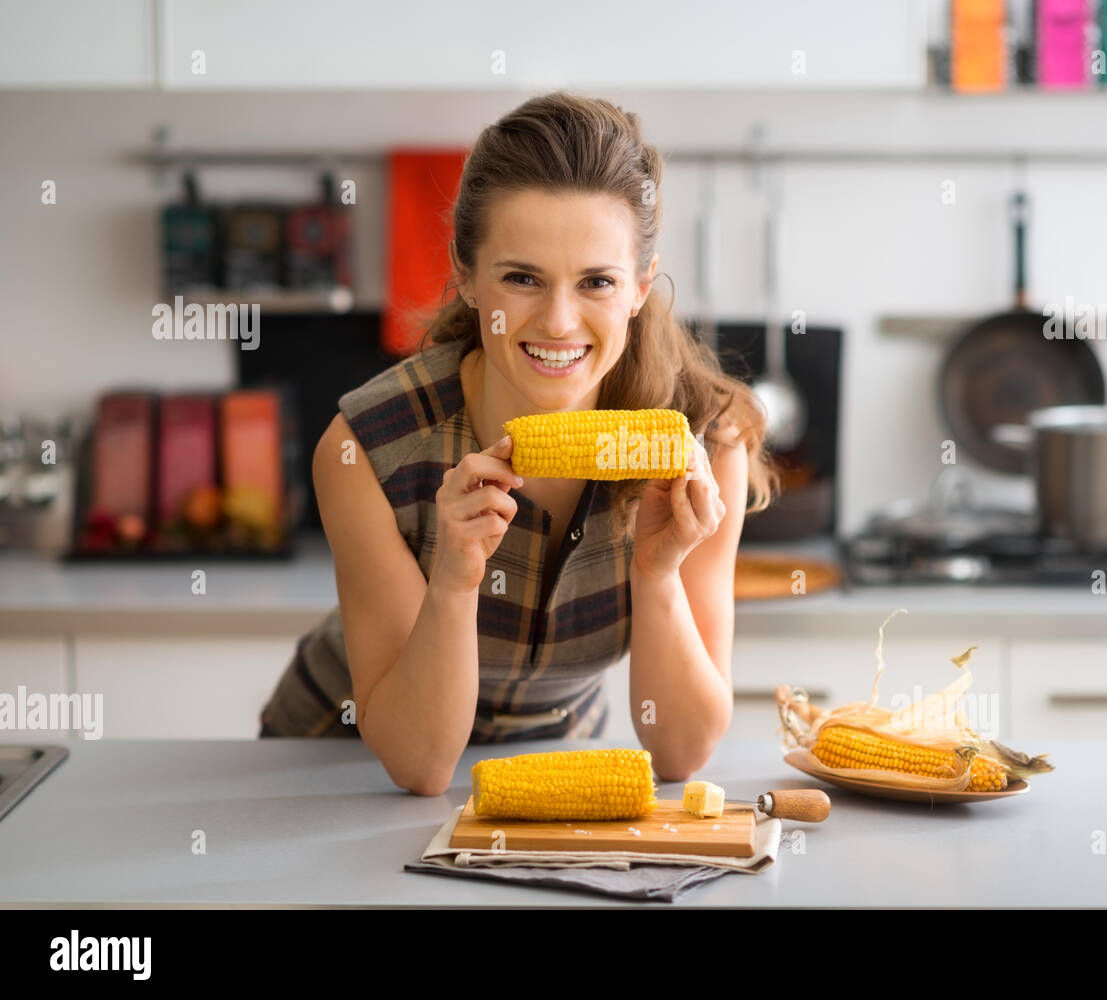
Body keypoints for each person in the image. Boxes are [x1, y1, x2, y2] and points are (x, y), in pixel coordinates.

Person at [259, 91, 778, 795]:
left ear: (639, 288)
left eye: (597, 281)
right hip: (334, 770)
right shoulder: (366, 449)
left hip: (545, 772)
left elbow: (682, 753)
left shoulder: (705, 441)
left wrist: (657, 575)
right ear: (467, 278)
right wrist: (452, 583)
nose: (560, 322)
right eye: (521, 278)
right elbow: (419, 766)